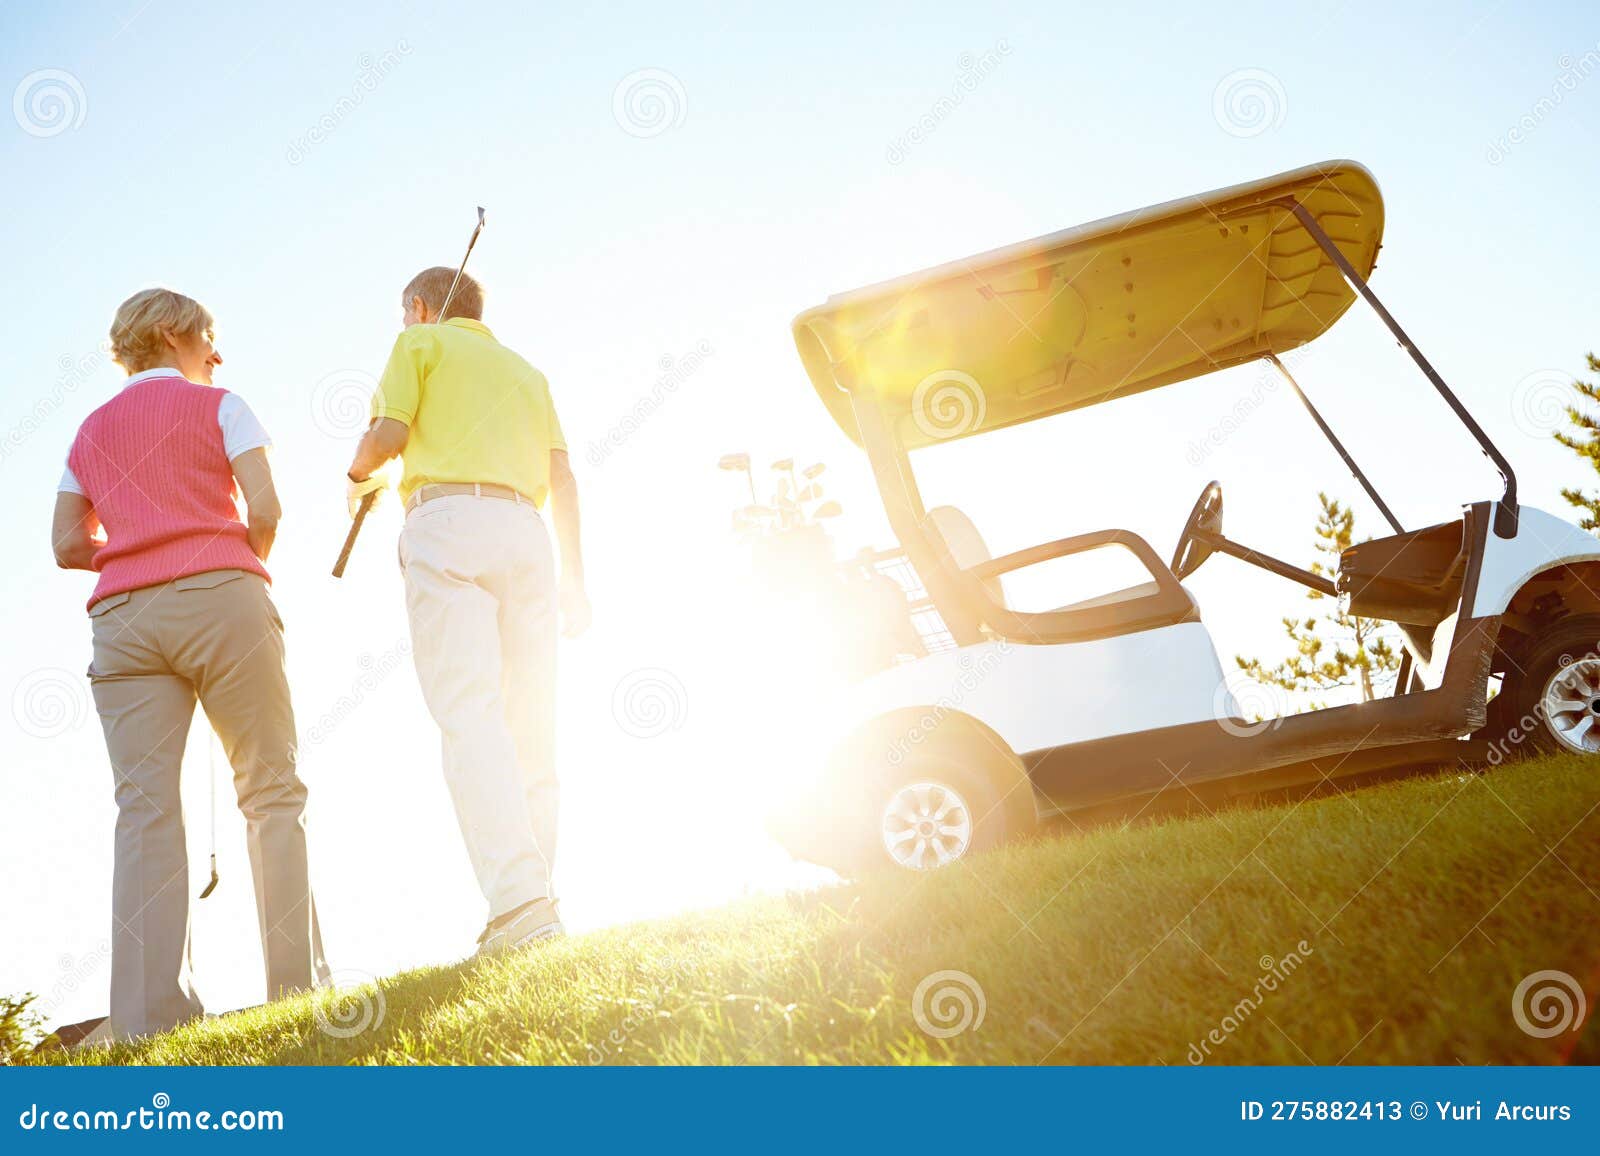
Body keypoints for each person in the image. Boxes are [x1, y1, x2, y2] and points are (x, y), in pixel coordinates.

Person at [52, 288, 329, 1040]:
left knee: (144, 813)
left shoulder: (88, 430)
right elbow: (266, 510)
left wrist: (139, 550)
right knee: (271, 789)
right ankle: (298, 994)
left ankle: (146, 1021)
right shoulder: (224, 406)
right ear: (175, 333)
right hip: (223, 597)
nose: (218, 356)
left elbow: (68, 545)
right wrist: (219, 562)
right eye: (210, 339)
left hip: (122, 622)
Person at [345, 267, 588, 956]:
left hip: (447, 519)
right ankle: (537, 901)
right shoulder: (527, 370)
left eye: (403, 313)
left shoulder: (418, 346)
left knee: (469, 714)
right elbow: (563, 478)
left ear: (419, 307)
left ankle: (519, 904)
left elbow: (385, 437)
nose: (403, 324)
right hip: (526, 534)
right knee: (530, 720)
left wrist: (357, 471)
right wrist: (578, 579)